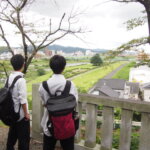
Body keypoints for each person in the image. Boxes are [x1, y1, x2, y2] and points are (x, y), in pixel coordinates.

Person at [39, 55, 78, 150]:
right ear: (64, 67)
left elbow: (44, 103)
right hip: (67, 123)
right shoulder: (70, 84)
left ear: (51, 67)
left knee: (48, 147)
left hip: (49, 124)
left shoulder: (43, 85)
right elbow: (75, 102)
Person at [6, 54, 30, 150]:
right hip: (20, 115)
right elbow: (23, 99)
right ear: (23, 64)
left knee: (12, 137)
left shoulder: (9, 77)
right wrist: (26, 114)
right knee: (24, 140)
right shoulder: (21, 80)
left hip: (11, 113)